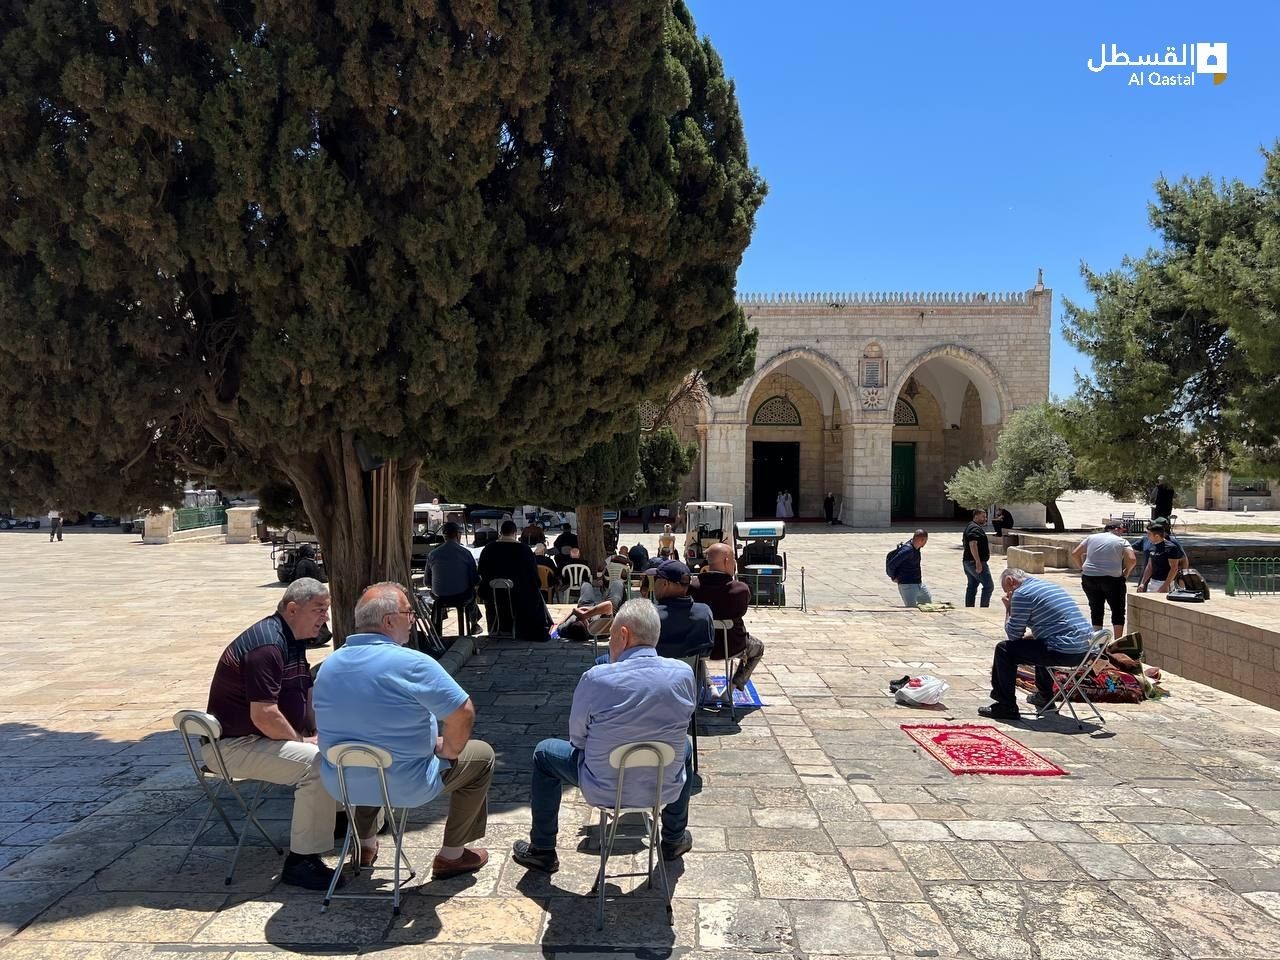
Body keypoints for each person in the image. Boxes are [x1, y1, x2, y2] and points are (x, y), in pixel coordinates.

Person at [314, 582, 493, 879]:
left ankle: (365, 845)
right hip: (407, 784)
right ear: (388, 621)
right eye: (409, 613)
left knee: (365, 748)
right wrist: (448, 750)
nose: (412, 620)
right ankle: (452, 855)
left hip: (341, 783)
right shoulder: (412, 664)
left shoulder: (328, 666)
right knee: (482, 756)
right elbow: (463, 712)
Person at [510, 600, 697, 873]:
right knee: (685, 749)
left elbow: (577, 738)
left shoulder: (596, 678)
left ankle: (543, 849)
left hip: (604, 786)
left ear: (624, 635)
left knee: (544, 753)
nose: (609, 643)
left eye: (611, 636)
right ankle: (673, 838)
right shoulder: (683, 673)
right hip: (663, 787)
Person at [203, 578, 345, 890]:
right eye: (318, 609)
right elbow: (264, 715)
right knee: (317, 764)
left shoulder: (294, 640)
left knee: (338, 746)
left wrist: (319, 731)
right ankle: (301, 861)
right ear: (292, 609)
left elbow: (304, 693)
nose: (325, 617)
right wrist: (301, 740)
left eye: (326, 609)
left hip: (258, 739)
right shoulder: (267, 646)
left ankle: (337, 821)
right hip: (233, 746)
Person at [978, 568, 1094, 720]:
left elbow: (1013, 635)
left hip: (1064, 652)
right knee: (1039, 643)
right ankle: (1044, 696)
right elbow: (1059, 623)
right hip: (1085, 652)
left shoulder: (1021, 593)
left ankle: (1006, 706)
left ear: (1010, 581)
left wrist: (1009, 608)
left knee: (1004, 650)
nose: (1008, 594)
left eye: (1007, 591)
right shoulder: (1050, 586)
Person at [691, 543, 765, 690]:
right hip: (732, 646)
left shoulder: (693, 586)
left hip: (701, 645)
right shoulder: (740, 590)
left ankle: (709, 686)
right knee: (758, 647)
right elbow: (741, 611)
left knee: (693, 654)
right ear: (726, 561)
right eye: (733, 559)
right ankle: (733, 686)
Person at [478, 520, 551, 642]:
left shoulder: (488, 549)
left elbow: (481, 571)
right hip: (519, 596)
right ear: (515, 533)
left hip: (493, 594)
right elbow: (533, 576)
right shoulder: (524, 550)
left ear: (501, 533)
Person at [1071, 520, 1136, 634]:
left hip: (1089, 577)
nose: (1122, 532)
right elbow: (1132, 559)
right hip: (1112, 579)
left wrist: (1082, 568)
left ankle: (1097, 638)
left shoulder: (1091, 538)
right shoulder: (1122, 541)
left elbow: (1075, 553)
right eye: (1122, 530)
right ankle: (1118, 641)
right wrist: (1126, 573)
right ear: (1116, 529)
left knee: (1096, 608)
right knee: (1117, 610)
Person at [650, 560, 714, 660]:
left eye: (655, 579)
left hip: (656, 668)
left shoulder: (650, 615)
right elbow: (706, 651)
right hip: (693, 668)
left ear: (665, 584)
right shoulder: (705, 612)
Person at [428, 521, 481, 635]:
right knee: (471, 593)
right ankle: (474, 623)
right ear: (458, 535)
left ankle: (436, 626)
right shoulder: (465, 553)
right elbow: (474, 579)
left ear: (444, 536)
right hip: (461, 594)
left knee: (438, 598)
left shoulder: (433, 554)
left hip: (440, 595)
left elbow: (427, 581)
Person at [887, 529, 932, 607]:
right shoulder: (907, 550)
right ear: (922, 540)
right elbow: (891, 565)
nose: (925, 543)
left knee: (928, 605)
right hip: (907, 585)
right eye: (925, 541)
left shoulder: (916, 548)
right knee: (912, 609)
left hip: (919, 584)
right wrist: (893, 577)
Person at [1138, 521, 1185, 594]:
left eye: (1149, 534)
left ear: (1157, 536)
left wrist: (1165, 585)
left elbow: (1174, 568)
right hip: (1153, 581)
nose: (1147, 536)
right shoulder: (1152, 546)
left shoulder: (1171, 548)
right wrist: (1143, 583)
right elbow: (1149, 566)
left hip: (1165, 582)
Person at [962, 510, 993, 608]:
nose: (985, 519)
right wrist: (978, 562)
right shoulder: (974, 528)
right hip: (974, 562)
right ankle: (984, 608)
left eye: (985, 516)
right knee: (988, 586)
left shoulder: (971, 526)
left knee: (972, 585)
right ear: (976, 516)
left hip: (968, 561)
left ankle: (969, 607)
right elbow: (973, 544)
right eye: (983, 517)